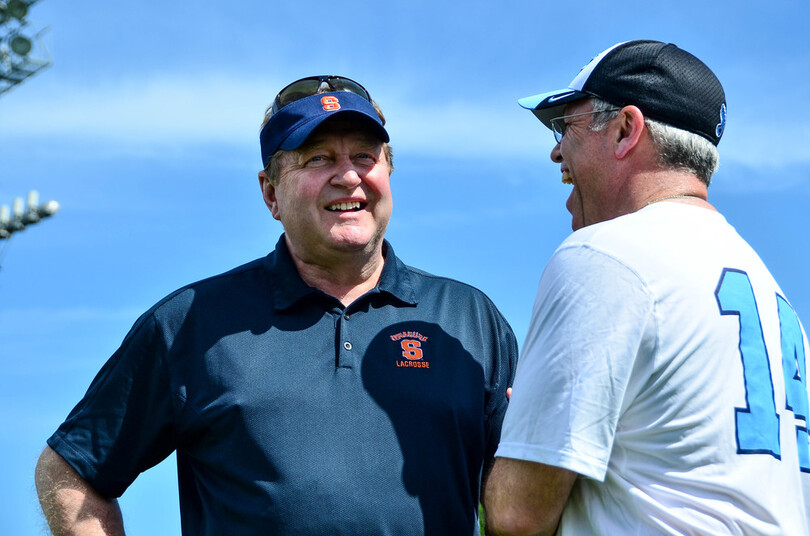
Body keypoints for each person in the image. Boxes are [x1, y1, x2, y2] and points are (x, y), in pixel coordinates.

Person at [35, 75, 518, 536]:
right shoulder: (192, 322)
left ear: (388, 173)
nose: (348, 176)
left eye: (365, 156)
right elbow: (71, 469)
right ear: (270, 193)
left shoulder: (469, 321)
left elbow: (522, 503)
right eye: (318, 159)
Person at [484, 41, 810, 536]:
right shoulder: (768, 289)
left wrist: (521, 427)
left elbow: (516, 517)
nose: (556, 151)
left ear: (624, 130)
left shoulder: (605, 255)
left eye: (565, 125)